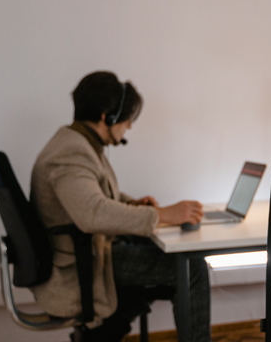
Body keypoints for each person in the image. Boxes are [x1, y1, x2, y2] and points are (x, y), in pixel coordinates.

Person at [30, 71, 210, 341]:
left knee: (177, 260)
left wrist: (132, 205)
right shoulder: (71, 152)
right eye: (127, 119)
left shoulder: (78, 143)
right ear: (107, 116)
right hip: (85, 265)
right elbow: (92, 213)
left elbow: (93, 195)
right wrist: (162, 214)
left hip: (91, 253)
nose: (129, 127)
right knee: (191, 269)